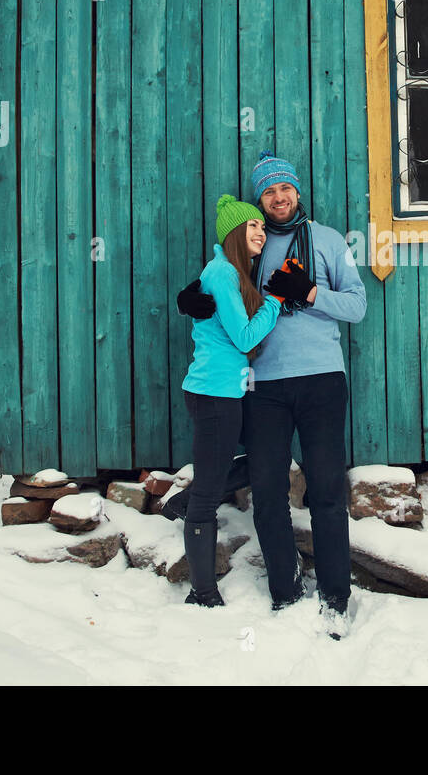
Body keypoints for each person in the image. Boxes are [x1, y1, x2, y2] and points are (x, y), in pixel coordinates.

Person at [177, 150, 366, 639]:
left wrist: (310, 293)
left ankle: (335, 594)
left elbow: (358, 306)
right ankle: (285, 590)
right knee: (267, 491)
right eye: (268, 192)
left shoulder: (327, 240)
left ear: (297, 192)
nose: (279, 198)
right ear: (259, 202)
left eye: (285, 189)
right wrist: (192, 298)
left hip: (323, 380)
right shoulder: (252, 248)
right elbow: (224, 281)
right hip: (261, 386)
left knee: (326, 490)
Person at [176, 194, 283, 608]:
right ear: (236, 233)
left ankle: (185, 500)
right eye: (252, 226)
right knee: (208, 494)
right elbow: (244, 337)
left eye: (262, 226)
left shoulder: (230, 274)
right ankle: (202, 592)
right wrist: (274, 303)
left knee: (261, 460)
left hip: (226, 391)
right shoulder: (222, 273)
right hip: (214, 393)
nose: (260, 231)